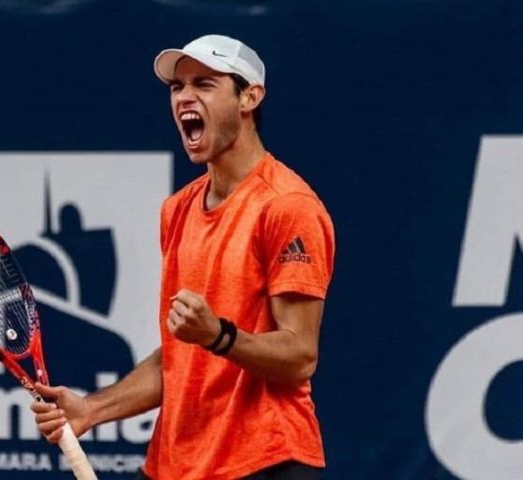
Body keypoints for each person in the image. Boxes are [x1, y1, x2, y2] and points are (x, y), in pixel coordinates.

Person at [31, 34, 335, 480]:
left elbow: (300, 355)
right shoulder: (177, 210)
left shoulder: (288, 206)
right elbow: (180, 355)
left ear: (249, 97)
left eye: (205, 84)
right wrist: (91, 410)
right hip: (175, 465)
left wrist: (219, 335)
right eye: (178, 87)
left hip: (265, 461)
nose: (185, 97)